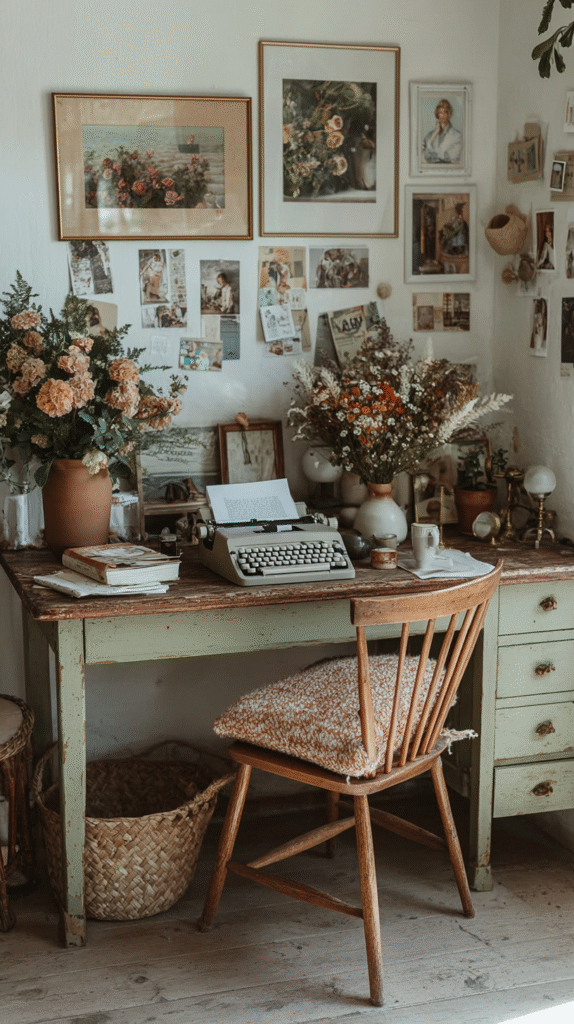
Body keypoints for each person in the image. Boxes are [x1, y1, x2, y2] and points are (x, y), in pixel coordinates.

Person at [422, 98, 463, 165]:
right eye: (440, 113)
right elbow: (425, 156)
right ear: (437, 114)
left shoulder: (457, 135)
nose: (443, 115)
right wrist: (434, 135)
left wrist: (431, 155)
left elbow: (452, 157)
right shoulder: (429, 135)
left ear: (449, 114)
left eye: (445, 112)